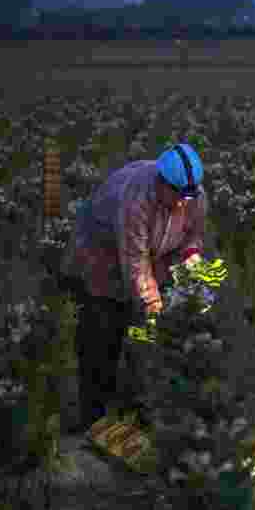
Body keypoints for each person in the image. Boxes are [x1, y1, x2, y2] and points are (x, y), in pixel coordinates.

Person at [60, 143, 208, 433]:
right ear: (161, 183)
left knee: (153, 341)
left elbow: (192, 240)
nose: (183, 202)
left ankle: (143, 413)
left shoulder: (195, 197)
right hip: (100, 259)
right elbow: (136, 263)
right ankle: (95, 421)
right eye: (177, 193)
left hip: (152, 256)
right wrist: (154, 308)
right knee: (102, 336)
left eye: (189, 195)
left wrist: (193, 275)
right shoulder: (137, 198)